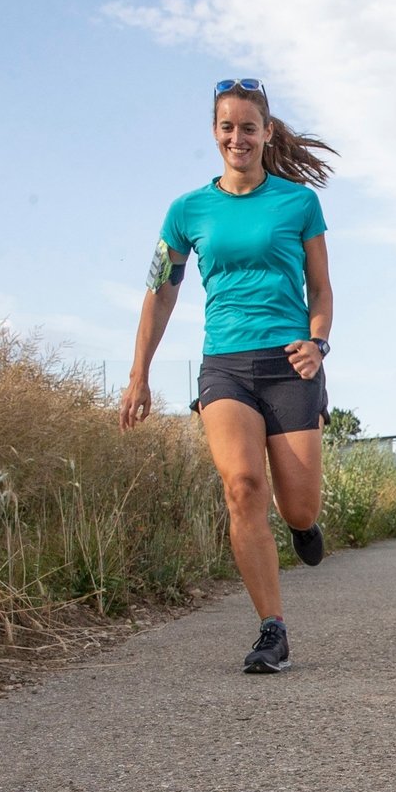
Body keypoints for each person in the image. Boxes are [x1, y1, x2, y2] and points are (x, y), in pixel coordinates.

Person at [121, 77, 334, 674]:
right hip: (227, 367)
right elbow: (160, 292)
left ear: (267, 134)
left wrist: (318, 343)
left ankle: (305, 525)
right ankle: (273, 628)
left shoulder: (298, 203)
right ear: (215, 133)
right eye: (227, 127)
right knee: (242, 486)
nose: (237, 137)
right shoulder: (187, 210)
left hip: (291, 364)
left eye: (248, 126)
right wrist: (139, 374)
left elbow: (320, 289)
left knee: (296, 507)